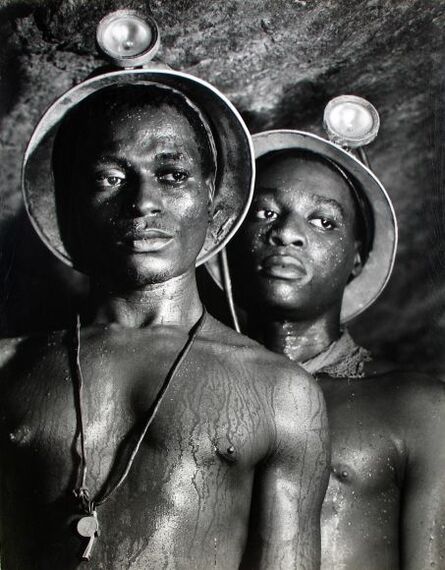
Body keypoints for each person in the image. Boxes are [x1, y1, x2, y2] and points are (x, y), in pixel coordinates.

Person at [0, 73, 329, 569]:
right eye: (110, 178)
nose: (143, 202)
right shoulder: (8, 366)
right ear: (70, 207)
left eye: (172, 175)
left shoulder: (281, 391)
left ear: (214, 204)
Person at [209, 130, 445, 569]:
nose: (286, 233)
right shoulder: (193, 388)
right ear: (230, 239)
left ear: (356, 258)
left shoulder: (418, 407)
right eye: (264, 211)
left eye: (324, 222)